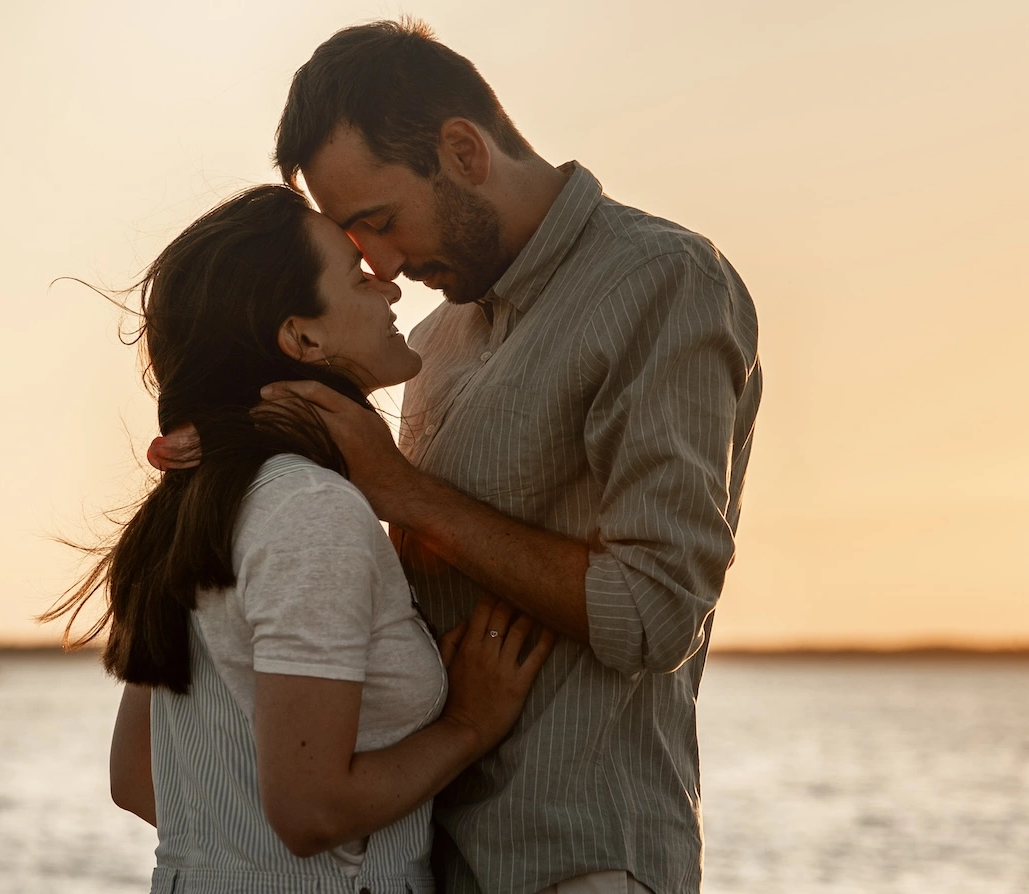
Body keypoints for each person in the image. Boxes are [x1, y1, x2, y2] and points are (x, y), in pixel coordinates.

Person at [153, 19, 763, 894]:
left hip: (580, 859)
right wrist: (229, 454)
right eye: (357, 242)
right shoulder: (436, 339)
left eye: (382, 221)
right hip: (428, 859)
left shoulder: (664, 284)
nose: (384, 265)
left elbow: (656, 614)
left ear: (464, 150)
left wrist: (406, 492)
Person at [41, 184, 554, 893]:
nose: (389, 288)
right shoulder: (310, 510)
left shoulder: (202, 506)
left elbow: (137, 778)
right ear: (303, 338)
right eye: (354, 276)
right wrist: (467, 725)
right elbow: (309, 811)